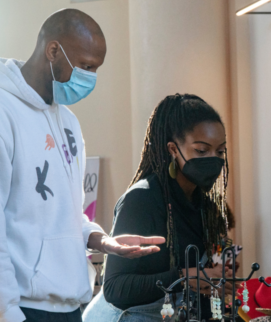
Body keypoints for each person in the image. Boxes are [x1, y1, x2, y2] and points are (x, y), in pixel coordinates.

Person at [0, 9, 164, 322]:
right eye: (86, 66)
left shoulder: (67, 121)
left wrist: (100, 240)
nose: (90, 77)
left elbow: (63, 211)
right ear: (53, 51)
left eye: (96, 69)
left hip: (65, 306)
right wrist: (5, 312)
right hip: (12, 309)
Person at [83, 94, 234, 322]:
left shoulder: (207, 209)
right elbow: (115, 288)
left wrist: (213, 280)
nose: (213, 160)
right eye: (202, 151)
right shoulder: (142, 199)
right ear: (173, 149)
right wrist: (185, 277)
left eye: (220, 152)